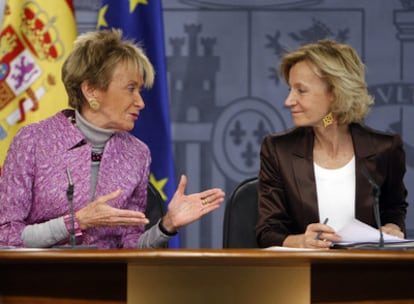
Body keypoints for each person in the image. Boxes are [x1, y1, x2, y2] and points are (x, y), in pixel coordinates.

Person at [0, 29, 225, 249]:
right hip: (38, 279)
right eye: (130, 89)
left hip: (109, 281)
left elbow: (129, 246)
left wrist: (167, 225)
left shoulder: (137, 154)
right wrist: (77, 222)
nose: (140, 102)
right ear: (91, 90)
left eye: (140, 90)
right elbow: (6, 234)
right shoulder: (33, 141)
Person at [256, 39, 408, 249]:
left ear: (335, 94)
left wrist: (392, 227)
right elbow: (268, 231)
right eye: (291, 90)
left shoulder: (386, 149)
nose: (288, 101)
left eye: (301, 90)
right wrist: (301, 241)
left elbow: (394, 209)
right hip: (302, 274)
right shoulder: (278, 150)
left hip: (367, 272)